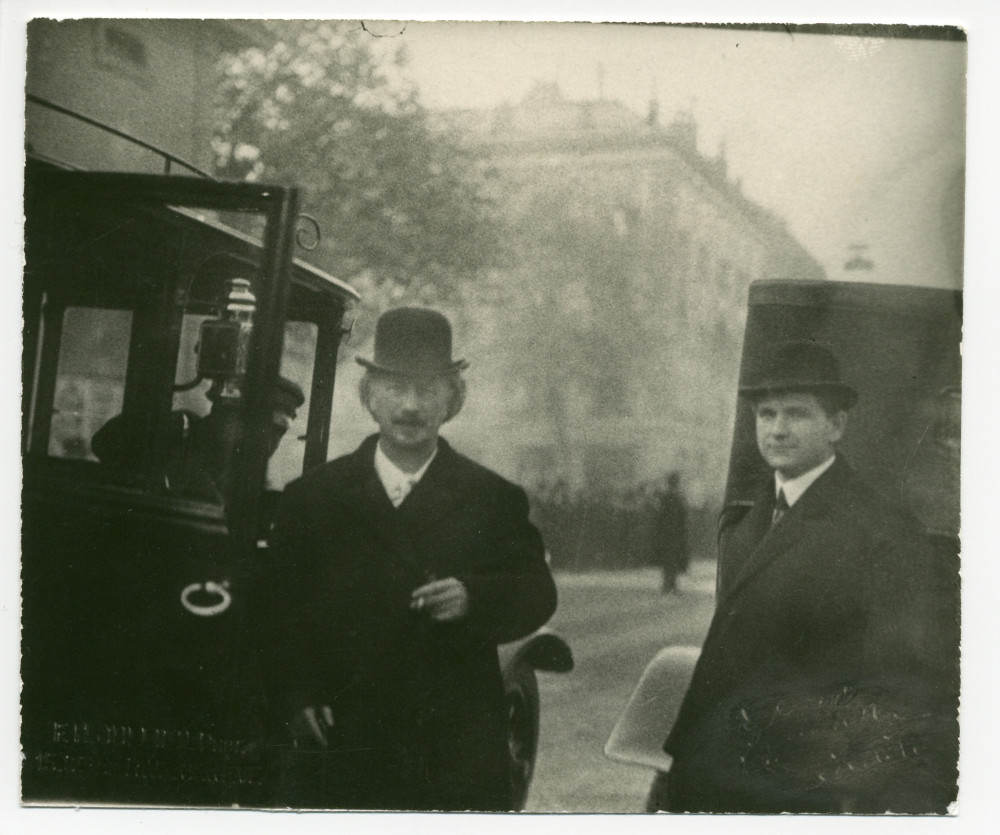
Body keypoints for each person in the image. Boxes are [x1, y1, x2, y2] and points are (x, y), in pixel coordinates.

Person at [260, 307, 557, 811]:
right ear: (370, 397)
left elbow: (538, 591)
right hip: (341, 740)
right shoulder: (314, 497)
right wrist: (297, 696)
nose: (411, 406)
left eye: (428, 390)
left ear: (452, 400)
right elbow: (275, 609)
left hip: (451, 749)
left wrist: (474, 597)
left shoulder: (492, 498)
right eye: (396, 388)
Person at [655, 341, 958, 815]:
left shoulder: (881, 529)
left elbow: (895, 675)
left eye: (796, 414)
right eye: (766, 414)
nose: (777, 429)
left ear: (836, 426)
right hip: (716, 767)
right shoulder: (748, 520)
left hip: (800, 781)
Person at [91, 376, 304, 502]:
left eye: (277, 433)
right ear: (222, 413)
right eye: (257, 428)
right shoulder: (177, 431)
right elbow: (104, 443)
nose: (267, 444)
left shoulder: (246, 481)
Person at [654, 472, 689, 594]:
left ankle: (668, 585)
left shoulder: (666, 497)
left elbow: (660, 516)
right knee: (672, 559)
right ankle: (670, 585)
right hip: (674, 533)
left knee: (669, 559)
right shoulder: (677, 497)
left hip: (668, 533)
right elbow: (682, 516)